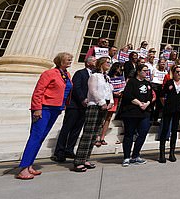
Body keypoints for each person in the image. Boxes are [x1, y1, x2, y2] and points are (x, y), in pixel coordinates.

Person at [16, 52, 73, 180]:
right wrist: (37, 108)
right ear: (60, 61)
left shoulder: (66, 75)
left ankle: (29, 165)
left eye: (71, 59)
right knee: (35, 137)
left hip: (55, 109)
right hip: (44, 108)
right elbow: (38, 91)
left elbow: (65, 91)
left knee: (41, 137)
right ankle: (24, 168)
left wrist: (63, 105)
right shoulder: (49, 73)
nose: (70, 61)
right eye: (67, 59)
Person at [72, 57, 113, 171]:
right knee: (88, 133)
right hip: (94, 105)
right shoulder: (94, 76)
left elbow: (109, 91)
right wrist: (102, 102)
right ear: (101, 64)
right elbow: (93, 90)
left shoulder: (107, 77)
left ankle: (86, 158)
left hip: (104, 106)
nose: (109, 64)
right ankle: (79, 160)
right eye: (107, 63)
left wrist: (111, 102)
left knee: (95, 134)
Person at [52, 55, 96, 162]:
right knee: (67, 128)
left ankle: (69, 149)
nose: (96, 62)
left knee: (77, 129)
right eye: (94, 61)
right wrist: (82, 99)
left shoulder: (95, 75)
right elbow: (76, 87)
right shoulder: (80, 73)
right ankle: (59, 152)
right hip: (75, 105)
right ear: (88, 63)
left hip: (85, 107)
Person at [118, 63, 153, 166]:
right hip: (131, 111)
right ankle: (126, 157)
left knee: (143, 133)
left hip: (144, 112)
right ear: (138, 71)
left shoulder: (147, 83)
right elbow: (128, 95)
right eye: (144, 70)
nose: (146, 72)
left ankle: (136, 155)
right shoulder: (132, 82)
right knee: (129, 134)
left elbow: (150, 96)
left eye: (147, 71)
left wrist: (147, 103)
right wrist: (138, 103)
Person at [158, 65, 180, 163]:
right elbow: (162, 95)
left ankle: (172, 152)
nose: (179, 74)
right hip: (168, 109)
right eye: (177, 72)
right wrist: (165, 105)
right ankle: (162, 153)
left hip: (178, 110)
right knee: (165, 130)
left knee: (174, 131)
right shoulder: (169, 82)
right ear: (173, 73)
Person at [98, 62, 125, 147]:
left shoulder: (121, 78)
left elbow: (123, 88)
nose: (121, 70)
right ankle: (97, 137)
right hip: (106, 99)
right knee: (101, 118)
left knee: (108, 119)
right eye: (119, 68)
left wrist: (120, 93)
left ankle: (102, 137)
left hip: (115, 100)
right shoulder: (108, 77)